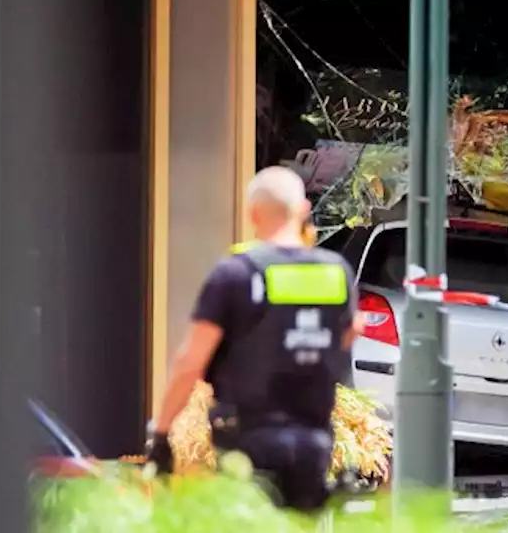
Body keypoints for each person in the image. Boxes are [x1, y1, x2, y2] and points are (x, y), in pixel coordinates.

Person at [145, 166, 362, 514]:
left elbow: (190, 362)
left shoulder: (236, 273)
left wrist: (162, 430)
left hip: (248, 443)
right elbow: (350, 337)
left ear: (252, 214)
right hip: (314, 442)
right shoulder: (337, 272)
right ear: (303, 210)